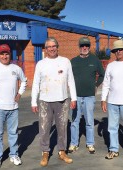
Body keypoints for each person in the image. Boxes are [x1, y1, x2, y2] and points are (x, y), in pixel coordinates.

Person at [31, 37, 77, 167]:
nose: (51, 49)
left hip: (62, 100)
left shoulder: (65, 61)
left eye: (54, 46)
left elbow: (71, 81)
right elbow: (35, 83)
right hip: (45, 101)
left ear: (57, 47)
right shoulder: (41, 64)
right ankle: (45, 152)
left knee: (62, 128)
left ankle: (62, 152)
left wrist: (73, 98)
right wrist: (34, 101)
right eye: (49, 47)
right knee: (44, 128)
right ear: (45, 49)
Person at [68, 37, 105, 154]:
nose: (84, 48)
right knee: (74, 121)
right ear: (79, 47)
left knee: (89, 121)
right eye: (82, 46)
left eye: (87, 46)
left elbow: (102, 75)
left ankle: (90, 144)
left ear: (89, 47)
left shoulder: (95, 60)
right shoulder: (73, 61)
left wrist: (96, 85)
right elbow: (67, 77)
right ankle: (73, 143)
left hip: (89, 96)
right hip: (76, 97)